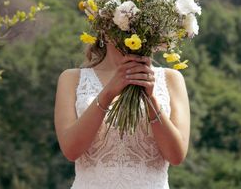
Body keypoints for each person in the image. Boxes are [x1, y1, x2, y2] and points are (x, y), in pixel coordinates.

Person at [54, 34, 191, 189]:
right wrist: (108, 92)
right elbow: (71, 151)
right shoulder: (71, 78)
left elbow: (176, 156)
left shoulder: (171, 78)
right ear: (104, 25)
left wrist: (150, 98)